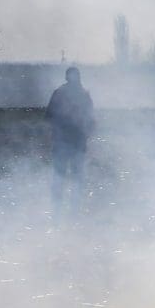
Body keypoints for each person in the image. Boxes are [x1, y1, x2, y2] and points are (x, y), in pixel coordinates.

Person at [46, 66, 94, 212]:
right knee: (73, 177)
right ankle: (68, 209)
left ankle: (62, 209)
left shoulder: (60, 93)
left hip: (69, 142)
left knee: (64, 177)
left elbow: (48, 116)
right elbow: (91, 120)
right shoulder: (82, 94)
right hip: (72, 142)